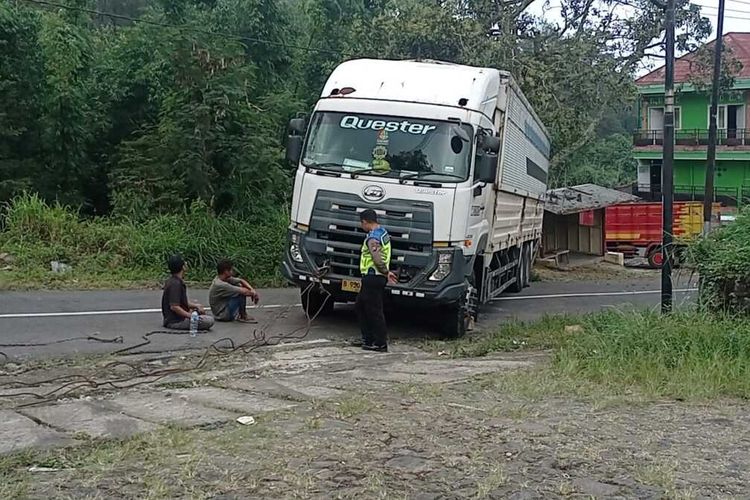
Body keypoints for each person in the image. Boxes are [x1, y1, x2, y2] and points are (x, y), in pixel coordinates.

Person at [356, 209, 397, 352]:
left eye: (362, 223)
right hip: (375, 277)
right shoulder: (383, 232)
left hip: (373, 276)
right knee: (361, 306)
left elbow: (376, 257)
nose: (362, 226)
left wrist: (385, 272)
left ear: (365, 222)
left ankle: (379, 342)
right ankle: (368, 339)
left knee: (374, 311)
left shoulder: (373, 237)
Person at [161, 255, 214, 331]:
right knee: (209, 321)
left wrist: (195, 306)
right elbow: (174, 307)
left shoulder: (173, 281)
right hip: (175, 321)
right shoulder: (175, 284)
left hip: (176, 318)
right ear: (183, 267)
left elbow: (181, 301)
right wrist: (191, 316)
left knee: (198, 309)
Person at [209, 259, 260, 323]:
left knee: (238, 285)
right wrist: (253, 294)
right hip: (222, 315)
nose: (233, 271)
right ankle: (243, 316)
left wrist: (252, 290)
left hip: (221, 309)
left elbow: (241, 280)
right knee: (240, 292)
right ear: (226, 271)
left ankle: (241, 314)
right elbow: (244, 292)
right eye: (231, 270)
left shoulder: (222, 278)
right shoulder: (221, 284)